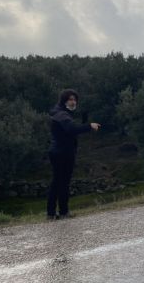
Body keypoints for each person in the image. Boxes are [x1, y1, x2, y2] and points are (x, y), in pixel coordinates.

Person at [47, 89, 101, 220]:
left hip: (59, 151)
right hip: (62, 153)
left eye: (75, 99)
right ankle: (63, 212)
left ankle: (51, 214)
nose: (73, 102)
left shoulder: (59, 112)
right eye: (70, 99)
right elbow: (72, 129)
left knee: (57, 182)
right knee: (62, 183)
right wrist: (89, 126)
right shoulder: (62, 115)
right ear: (64, 100)